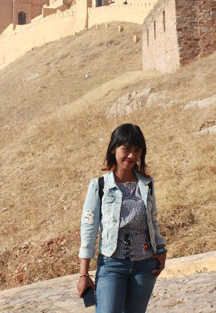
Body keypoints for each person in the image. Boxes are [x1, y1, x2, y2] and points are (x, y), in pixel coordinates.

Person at [77, 123, 167, 313]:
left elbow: (153, 220)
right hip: (112, 265)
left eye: (137, 150)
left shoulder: (146, 184)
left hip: (145, 265)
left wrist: (161, 250)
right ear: (113, 149)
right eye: (126, 149)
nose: (132, 156)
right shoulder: (99, 185)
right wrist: (83, 274)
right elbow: (89, 228)